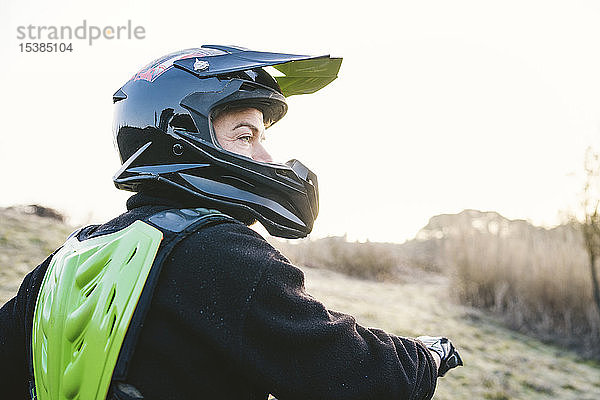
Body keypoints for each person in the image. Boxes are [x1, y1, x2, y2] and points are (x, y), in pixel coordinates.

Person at [0, 45, 462, 400]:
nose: (266, 157)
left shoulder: (69, 255)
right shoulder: (217, 250)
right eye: (246, 136)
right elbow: (356, 375)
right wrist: (426, 354)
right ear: (184, 138)